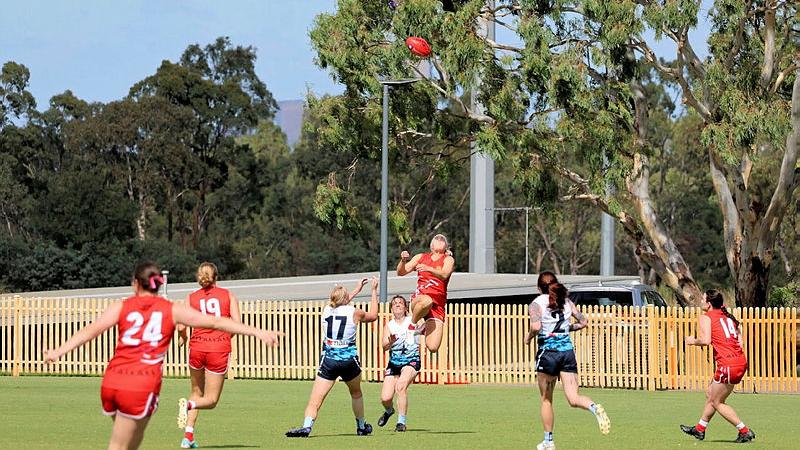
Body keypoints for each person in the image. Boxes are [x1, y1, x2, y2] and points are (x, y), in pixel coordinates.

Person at [43, 261, 281, 450]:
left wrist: (57, 352)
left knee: (124, 440)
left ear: (135, 283)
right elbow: (218, 322)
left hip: (112, 381)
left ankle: (185, 434)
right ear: (158, 284)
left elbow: (90, 330)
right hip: (140, 382)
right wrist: (259, 332)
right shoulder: (171, 310)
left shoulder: (121, 306)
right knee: (121, 444)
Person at [525, 272, 610, 450]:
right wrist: (565, 330)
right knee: (573, 398)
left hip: (548, 354)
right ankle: (594, 407)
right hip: (567, 353)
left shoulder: (536, 304)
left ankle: (548, 441)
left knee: (546, 399)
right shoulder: (567, 302)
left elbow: (536, 326)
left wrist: (529, 337)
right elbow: (583, 322)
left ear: (538, 288)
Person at [286, 277, 380, 438]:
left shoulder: (327, 310)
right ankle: (361, 426)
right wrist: (373, 291)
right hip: (349, 359)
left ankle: (307, 426)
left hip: (329, 360)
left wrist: (356, 289)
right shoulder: (354, 312)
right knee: (356, 393)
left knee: (316, 399)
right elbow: (373, 315)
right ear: (345, 298)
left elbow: (341, 301)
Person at [175, 262, 240, 449]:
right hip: (217, 350)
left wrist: (183, 338)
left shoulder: (191, 298)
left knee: (197, 392)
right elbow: (236, 324)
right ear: (216, 276)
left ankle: (188, 437)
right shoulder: (227, 295)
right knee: (210, 401)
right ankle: (187, 405)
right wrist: (224, 338)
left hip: (196, 349)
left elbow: (180, 325)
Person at [680, 289, 755, 443]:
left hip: (728, 364)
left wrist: (692, 341)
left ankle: (744, 431)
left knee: (717, 402)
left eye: (703, 299)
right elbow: (740, 342)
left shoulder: (706, 317)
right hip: (739, 361)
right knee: (711, 393)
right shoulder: (729, 317)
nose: (700, 301)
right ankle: (700, 429)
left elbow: (706, 340)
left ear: (709, 304)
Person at [396, 233, 454, 353]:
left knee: (433, 347)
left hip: (437, 306)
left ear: (446, 246)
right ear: (431, 246)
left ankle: (421, 329)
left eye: (442, 238)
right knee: (427, 300)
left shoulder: (448, 259)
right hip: (420, 300)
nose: (439, 238)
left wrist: (428, 268)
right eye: (436, 238)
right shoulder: (421, 257)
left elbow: (444, 274)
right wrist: (403, 261)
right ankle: (411, 326)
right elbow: (401, 272)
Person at [377, 295, 420, 432]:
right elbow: (384, 347)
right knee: (385, 398)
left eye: (400, 303)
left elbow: (422, 328)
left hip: (411, 360)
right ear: (391, 309)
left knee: (400, 387)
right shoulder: (389, 326)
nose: (397, 305)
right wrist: (390, 341)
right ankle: (389, 411)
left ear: (406, 308)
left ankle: (401, 423)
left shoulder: (412, 321)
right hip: (394, 363)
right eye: (394, 303)